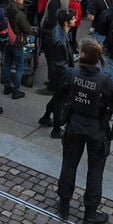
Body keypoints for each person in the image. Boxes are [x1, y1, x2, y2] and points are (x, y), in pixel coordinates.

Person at [55, 38, 113, 224]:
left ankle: (64, 205)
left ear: (82, 55)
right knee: (95, 172)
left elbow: (60, 95)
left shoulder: (72, 74)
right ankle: (90, 213)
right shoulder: (106, 81)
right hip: (97, 130)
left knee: (69, 165)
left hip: (74, 126)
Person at [39, 8, 78, 138]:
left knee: (57, 98)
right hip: (61, 76)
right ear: (66, 22)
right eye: (73, 19)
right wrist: (71, 74)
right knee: (60, 102)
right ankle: (56, 129)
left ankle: (45, 118)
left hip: (59, 74)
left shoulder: (61, 32)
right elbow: (62, 64)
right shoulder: (60, 40)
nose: (75, 20)